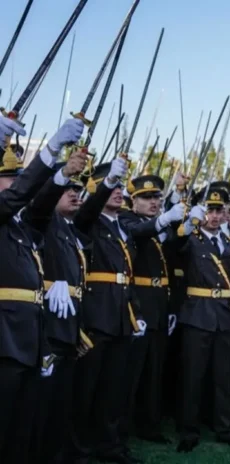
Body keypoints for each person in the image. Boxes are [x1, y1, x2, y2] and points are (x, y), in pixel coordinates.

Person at [0, 116, 84, 463]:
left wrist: (61, 175)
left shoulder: (18, 227)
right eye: (9, 181)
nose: (17, 187)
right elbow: (20, 198)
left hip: (27, 341)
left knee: (21, 431)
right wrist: (49, 150)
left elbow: (37, 208)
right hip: (4, 340)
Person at [71, 156, 147, 464]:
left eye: (119, 187)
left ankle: (109, 444)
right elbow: (88, 209)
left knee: (114, 388)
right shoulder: (88, 220)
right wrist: (107, 184)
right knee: (86, 388)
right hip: (96, 315)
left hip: (121, 315)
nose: (118, 192)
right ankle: (79, 449)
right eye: (110, 187)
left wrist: (136, 311)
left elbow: (129, 274)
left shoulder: (122, 227)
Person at [175, 183, 230, 453]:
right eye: (210, 210)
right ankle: (189, 430)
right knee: (193, 377)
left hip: (224, 315)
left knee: (223, 376)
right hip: (198, 313)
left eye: (219, 210)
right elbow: (176, 244)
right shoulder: (191, 238)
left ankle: (224, 428)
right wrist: (186, 220)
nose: (215, 216)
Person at [26, 154, 91, 464]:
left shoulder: (68, 227)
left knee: (62, 397)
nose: (74, 194)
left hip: (69, 322)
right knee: (44, 399)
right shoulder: (44, 220)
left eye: (78, 189)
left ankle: (58, 453)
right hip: (48, 324)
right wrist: (53, 283)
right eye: (68, 189)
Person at [118, 175, 184, 445]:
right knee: (131, 373)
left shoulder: (158, 226)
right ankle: (121, 427)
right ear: (133, 201)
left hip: (158, 303)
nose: (154, 202)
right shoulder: (127, 220)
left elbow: (174, 252)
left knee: (154, 371)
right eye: (146, 198)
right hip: (138, 304)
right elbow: (140, 233)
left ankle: (149, 424)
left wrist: (184, 223)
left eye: (157, 197)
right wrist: (166, 219)